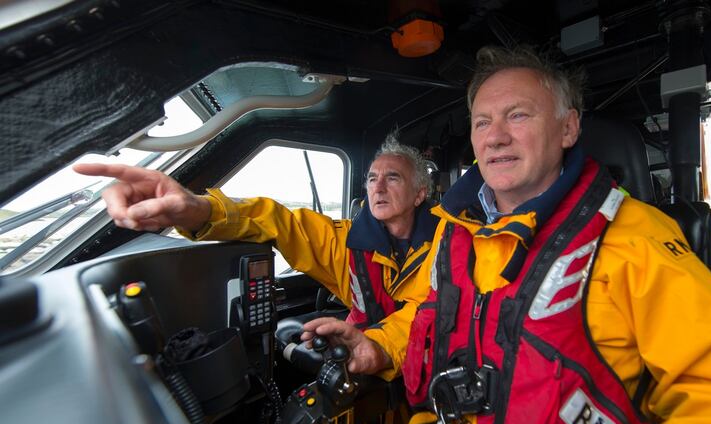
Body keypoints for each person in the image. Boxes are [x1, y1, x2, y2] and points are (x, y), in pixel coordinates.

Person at [302, 46, 711, 424]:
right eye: (482, 121)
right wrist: (379, 345)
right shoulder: (456, 233)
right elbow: (432, 315)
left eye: (518, 115)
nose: (496, 136)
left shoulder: (632, 236)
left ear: (568, 128)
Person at [73, 132, 438, 329]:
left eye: (392, 177)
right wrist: (196, 210)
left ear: (420, 192)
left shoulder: (449, 248)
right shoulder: (346, 243)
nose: (377, 187)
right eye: (372, 178)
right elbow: (272, 218)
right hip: (369, 375)